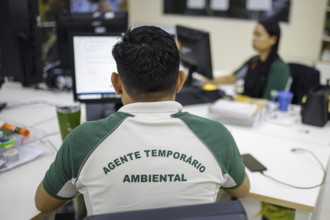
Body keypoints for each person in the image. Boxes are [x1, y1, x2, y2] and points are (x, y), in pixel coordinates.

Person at [34, 26, 250, 216]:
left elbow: (43, 203)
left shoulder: (82, 140)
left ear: (116, 83)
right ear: (181, 81)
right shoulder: (217, 137)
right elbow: (242, 191)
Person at [207, 19, 290, 100]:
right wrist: (207, 80)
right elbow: (232, 78)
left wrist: (239, 100)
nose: (253, 38)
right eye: (254, 34)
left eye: (258, 35)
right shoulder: (254, 61)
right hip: (245, 106)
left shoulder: (279, 68)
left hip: (257, 110)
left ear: (273, 40)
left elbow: (267, 102)